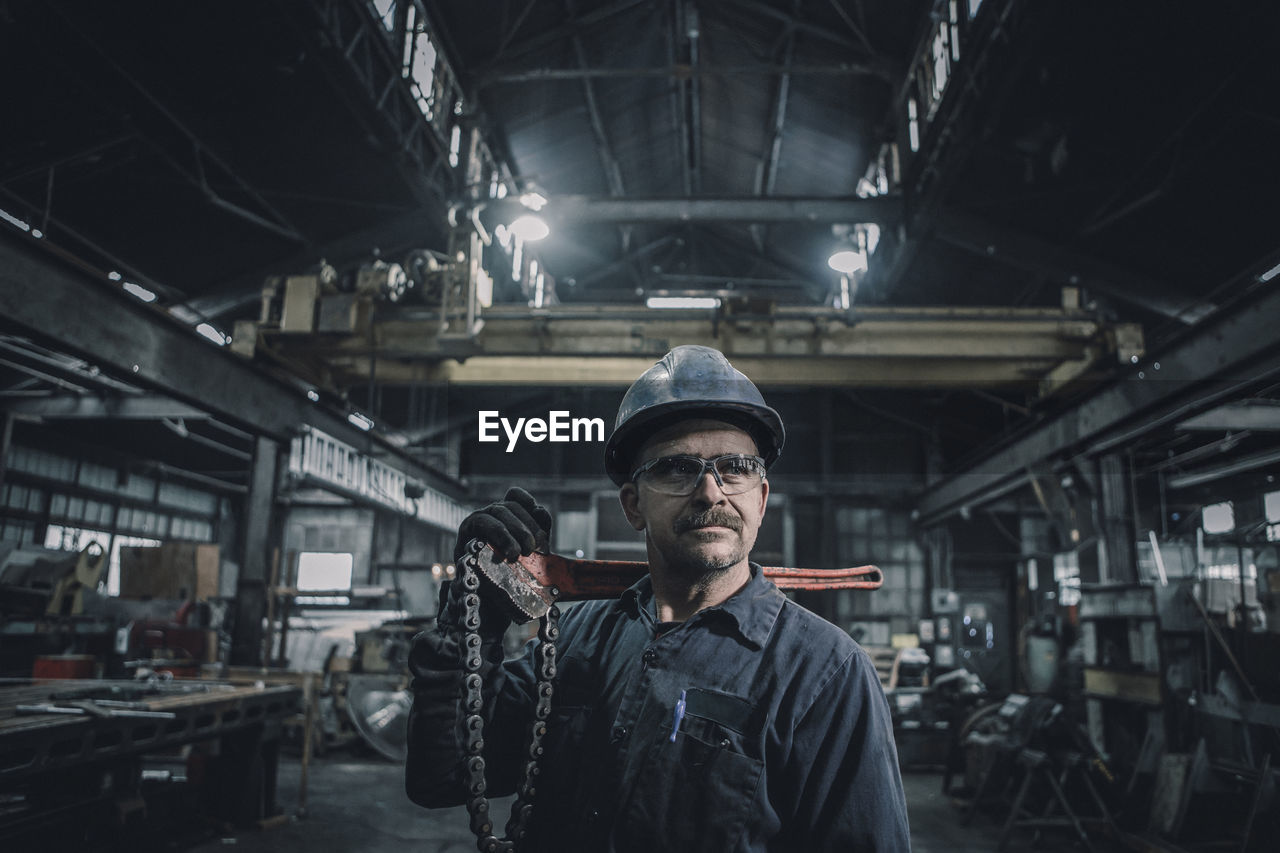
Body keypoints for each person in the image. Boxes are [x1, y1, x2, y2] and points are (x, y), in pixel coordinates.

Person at [406, 345, 910, 852]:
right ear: (633, 505)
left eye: (734, 468)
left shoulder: (826, 673)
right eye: (676, 468)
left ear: (760, 499)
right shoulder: (576, 637)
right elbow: (442, 776)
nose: (711, 493)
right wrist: (470, 625)